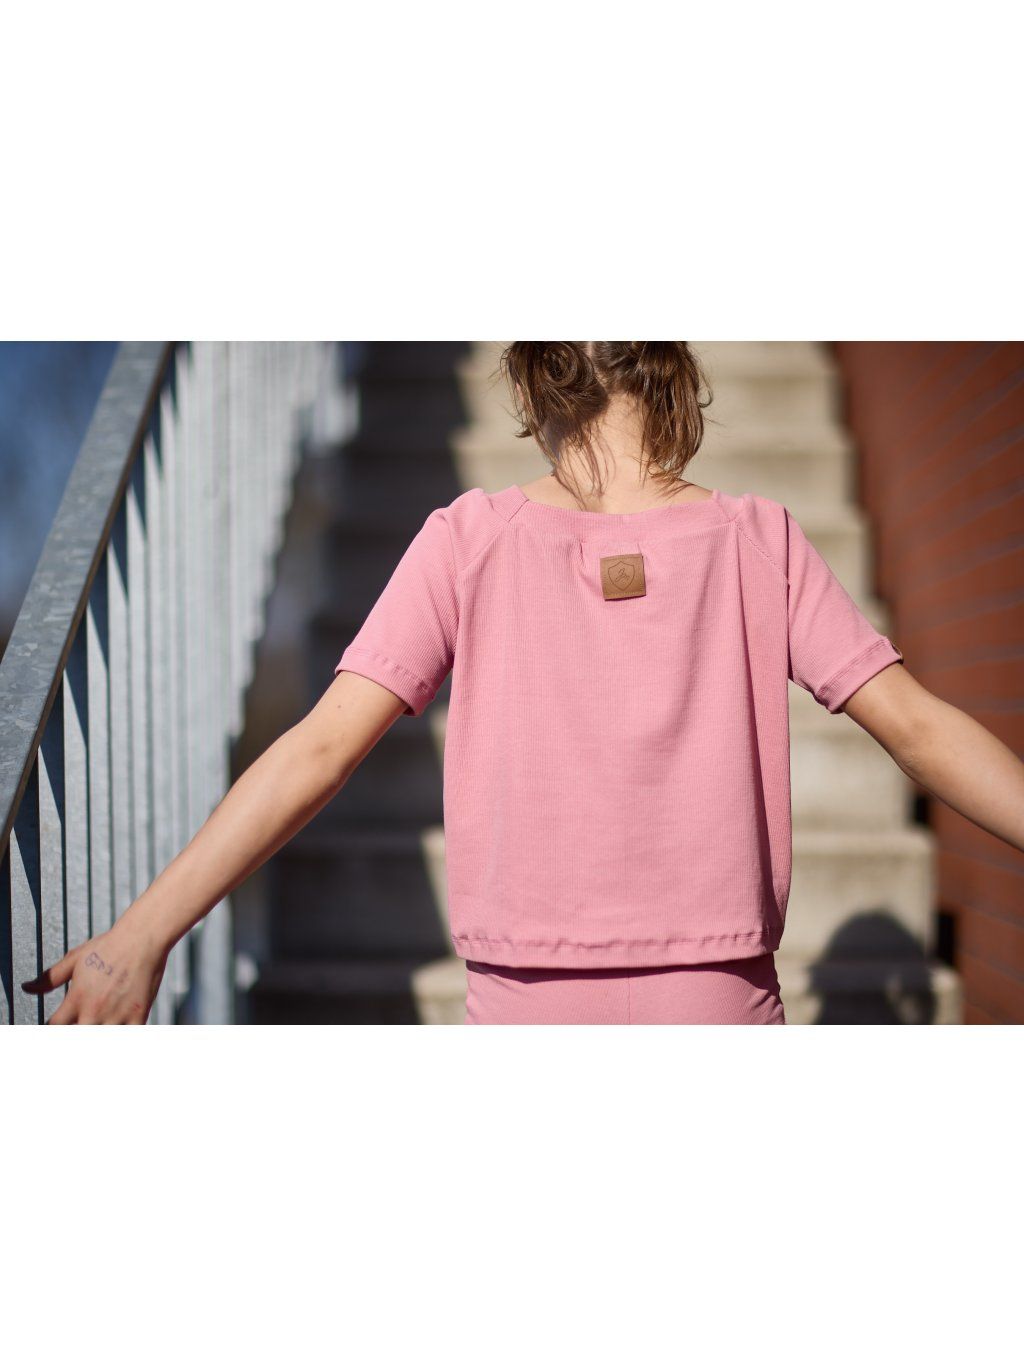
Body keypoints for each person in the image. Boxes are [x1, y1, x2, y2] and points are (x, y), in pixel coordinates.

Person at [23, 342, 1024, 1024]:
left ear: (532, 378)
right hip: (715, 997)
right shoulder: (758, 540)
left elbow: (320, 749)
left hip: (525, 1002)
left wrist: (143, 933)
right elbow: (918, 729)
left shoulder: (468, 541)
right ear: (669, 369)